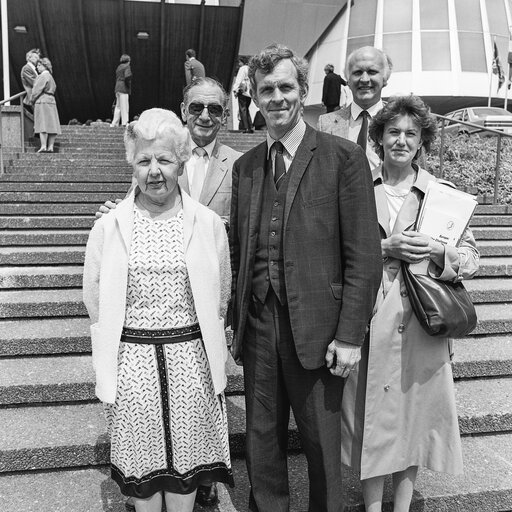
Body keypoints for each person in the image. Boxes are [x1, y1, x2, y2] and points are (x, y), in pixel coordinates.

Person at [229, 43, 382, 512]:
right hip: (258, 327)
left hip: (319, 329)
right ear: (254, 97)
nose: (277, 97)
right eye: (266, 89)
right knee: (262, 443)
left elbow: (364, 257)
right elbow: (240, 248)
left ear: (303, 90)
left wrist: (351, 335)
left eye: (286, 87)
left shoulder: (343, 159)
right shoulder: (246, 166)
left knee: (320, 449)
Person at [95, 77, 241, 509]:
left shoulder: (207, 223)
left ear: (180, 162)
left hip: (190, 363)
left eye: (164, 159)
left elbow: (221, 292)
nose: (154, 170)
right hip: (132, 363)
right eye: (143, 161)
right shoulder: (110, 225)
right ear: (131, 165)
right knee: (143, 482)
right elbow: (95, 297)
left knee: (183, 483)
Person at [340, 95, 480, 512]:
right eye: (393, 132)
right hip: (370, 319)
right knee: (373, 419)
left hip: (422, 324)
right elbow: (334, 248)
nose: (401, 140)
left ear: (422, 143)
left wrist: (439, 254)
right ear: (378, 138)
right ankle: (371, 507)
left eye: (411, 134)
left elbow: (471, 258)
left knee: (413, 420)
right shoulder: (356, 186)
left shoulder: (444, 195)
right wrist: (385, 245)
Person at [318, 47, 392, 170]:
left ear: (384, 79)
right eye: (357, 72)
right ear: (348, 80)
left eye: (372, 72)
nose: (364, 79)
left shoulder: (401, 123)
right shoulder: (325, 124)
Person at [31, 57, 61, 153]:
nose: (37, 68)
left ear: (45, 66)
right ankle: (51, 146)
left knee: (42, 124)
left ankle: (43, 145)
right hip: (51, 101)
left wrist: (32, 100)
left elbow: (36, 90)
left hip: (42, 101)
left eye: (39, 65)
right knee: (52, 124)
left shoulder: (42, 76)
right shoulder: (50, 77)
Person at [233, 56, 253, 133]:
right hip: (249, 92)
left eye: (239, 62)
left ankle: (245, 128)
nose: (238, 64)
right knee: (246, 109)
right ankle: (250, 126)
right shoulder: (250, 69)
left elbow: (239, 80)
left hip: (242, 91)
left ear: (242, 62)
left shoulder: (242, 69)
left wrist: (235, 89)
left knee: (242, 109)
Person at [111, 54, 132, 127]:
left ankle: (114, 123)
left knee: (118, 106)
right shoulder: (127, 66)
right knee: (124, 106)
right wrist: (128, 85)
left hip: (117, 88)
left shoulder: (118, 67)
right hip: (123, 88)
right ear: (128, 61)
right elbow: (127, 77)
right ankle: (125, 123)